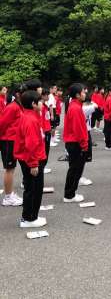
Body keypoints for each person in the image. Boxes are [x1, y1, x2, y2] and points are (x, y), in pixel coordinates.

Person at [14, 90, 47, 228]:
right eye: (40, 101)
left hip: (28, 157)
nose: (42, 103)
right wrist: (33, 164)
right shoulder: (30, 119)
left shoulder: (28, 115)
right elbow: (31, 144)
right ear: (33, 104)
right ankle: (29, 218)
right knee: (34, 189)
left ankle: (29, 216)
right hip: (31, 159)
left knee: (31, 187)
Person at [63, 83, 89, 203]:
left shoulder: (75, 105)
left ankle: (70, 193)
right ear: (77, 95)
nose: (85, 93)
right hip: (75, 143)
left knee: (75, 169)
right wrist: (84, 144)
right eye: (83, 92)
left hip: (74, 142)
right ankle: (69, 195)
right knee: (75, 169)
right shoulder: (75, 108)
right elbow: (78, 129)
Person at [0, 84, 24, 207]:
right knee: (9, 169)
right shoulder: (12, 107)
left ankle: (10, 193)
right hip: (8, 140)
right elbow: (2, 124)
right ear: (18, 94)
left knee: (12, 168)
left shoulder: (19, 106)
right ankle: (8, 197)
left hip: (13, 140)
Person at [80, 92, 96, 186]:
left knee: (83, 158)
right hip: (84, 133)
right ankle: (79, 178)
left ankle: (79, 177)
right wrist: (90, 103)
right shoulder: (85, 108)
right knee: (82, 158)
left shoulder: (84, 107)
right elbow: (96, 105)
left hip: (86, 131)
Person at [41, 89, 52, 174]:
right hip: (44, 131)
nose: (48, 96)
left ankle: (43, 167)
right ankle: (42, 167)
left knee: (46, 150)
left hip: (47, 130)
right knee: (44, 150)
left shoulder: (45, 105)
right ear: (42, 96)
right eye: (46, 95)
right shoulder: (40, 106)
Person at [103, 86, 111, 150]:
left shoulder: (107, 97)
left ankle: (108, 145)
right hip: (109, 118)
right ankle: (108, 145)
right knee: (109, 132)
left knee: (107, 131)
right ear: (110, 92)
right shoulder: (110, 99)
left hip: (107, 117)